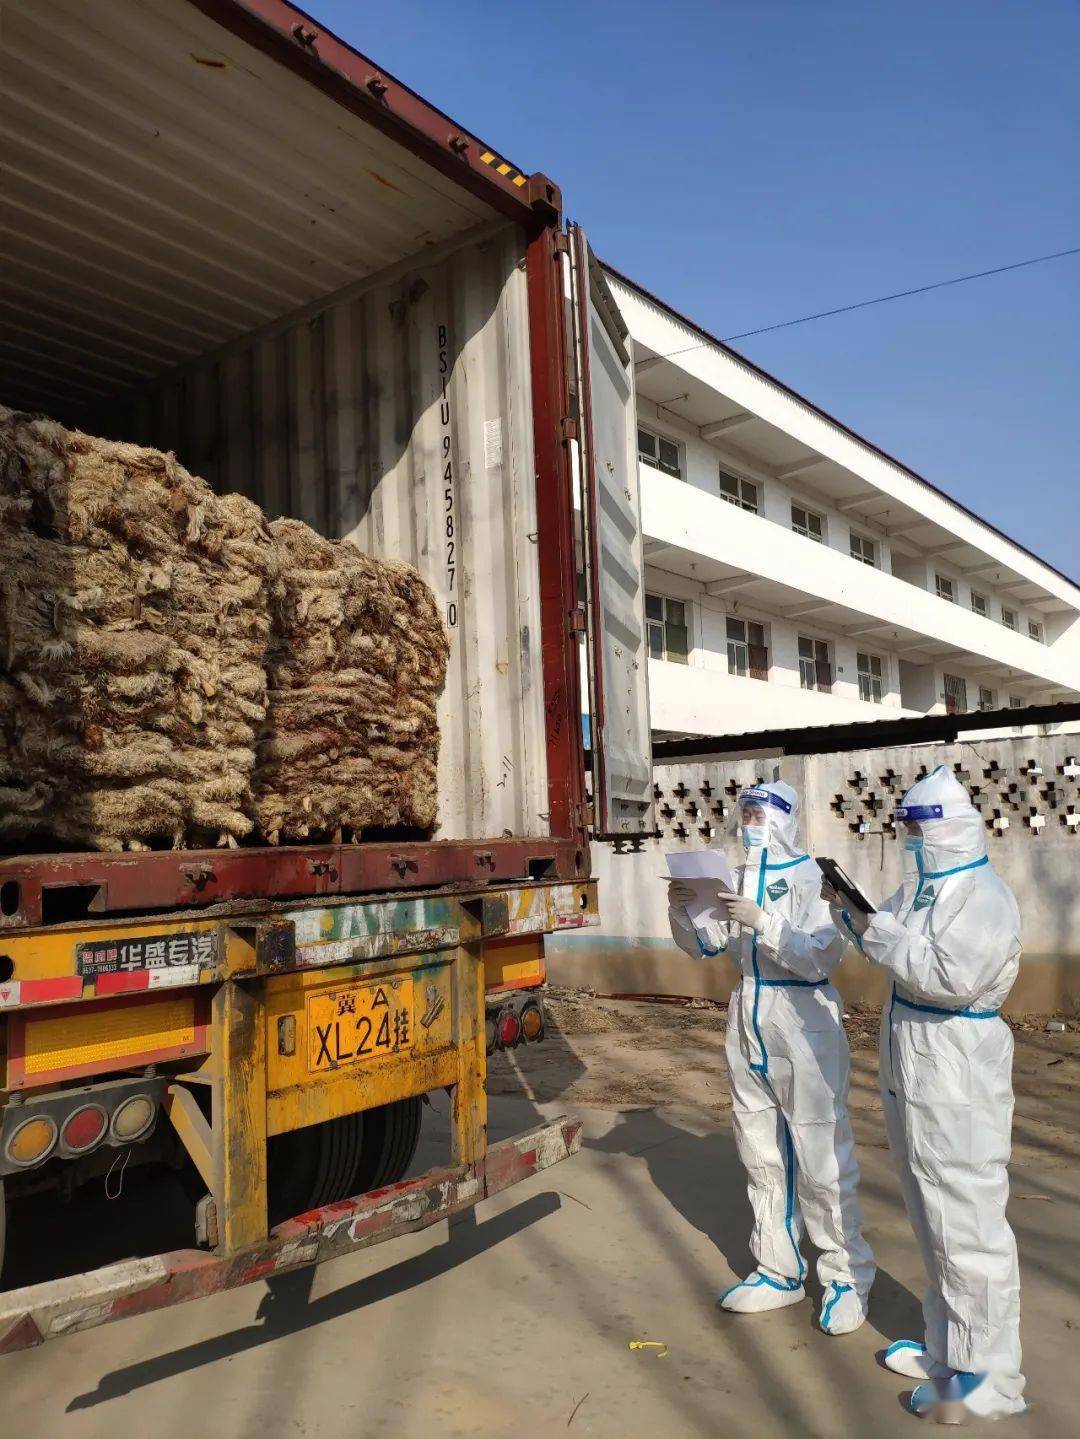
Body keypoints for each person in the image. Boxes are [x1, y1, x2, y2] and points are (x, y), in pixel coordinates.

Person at [823, 766, 1026, 1422]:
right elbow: (891, 942)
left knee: (968, 1228)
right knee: (932, 1222)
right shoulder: (923, 889)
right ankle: (948, 1352)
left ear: (948, 828)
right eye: (904, 826)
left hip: (957, 1074)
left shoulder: (982, 895)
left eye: (917, 827)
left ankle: (988, 1379)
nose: (908, 839)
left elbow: (947, 975)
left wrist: (876, 932)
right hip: (913, 1073)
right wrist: (853, 917)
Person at [667, 780, 875, 1335]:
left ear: (784, 816)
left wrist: (765, 921)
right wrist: (686, 911)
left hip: (803, 1020)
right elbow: (708, 947)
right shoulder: (735, 877)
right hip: (749, 1013)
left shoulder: (813, 879)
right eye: (746, 812)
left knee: (821, 1152)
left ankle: (844, 1278)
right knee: (759, 1148)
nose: (751, 820)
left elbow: (819, 957)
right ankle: (778, 1270)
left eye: (761, 811)